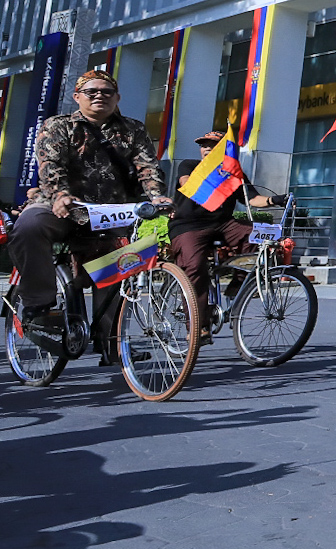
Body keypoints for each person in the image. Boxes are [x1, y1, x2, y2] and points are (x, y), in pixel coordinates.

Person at [10, 70, 170, 359]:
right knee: (30, 226)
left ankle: (113, 344)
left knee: (116, 266)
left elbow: (148, 168)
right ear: (77, 97)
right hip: (62, 207)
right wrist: (60, 195)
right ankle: (38, 306)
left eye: (107, 92)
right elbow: (50, 165)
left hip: (110, 212)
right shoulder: (59, 126)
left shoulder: (133, 129)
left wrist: (157, 196)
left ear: (117, 97)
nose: (99, 96)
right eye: (91, 91)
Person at [170, 130, 281, 341]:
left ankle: (238, 283)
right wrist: (221, 175)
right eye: (203, 145)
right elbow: (187, 184)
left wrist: (274, 200)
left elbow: (252, 199)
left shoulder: (234, 172)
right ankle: (199, 326)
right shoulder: (190, 166)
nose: (207, 149)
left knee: (256, 233)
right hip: (188, 225)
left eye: (213, 145)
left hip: (222, 223)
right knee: (195, 268)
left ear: (224, 150)